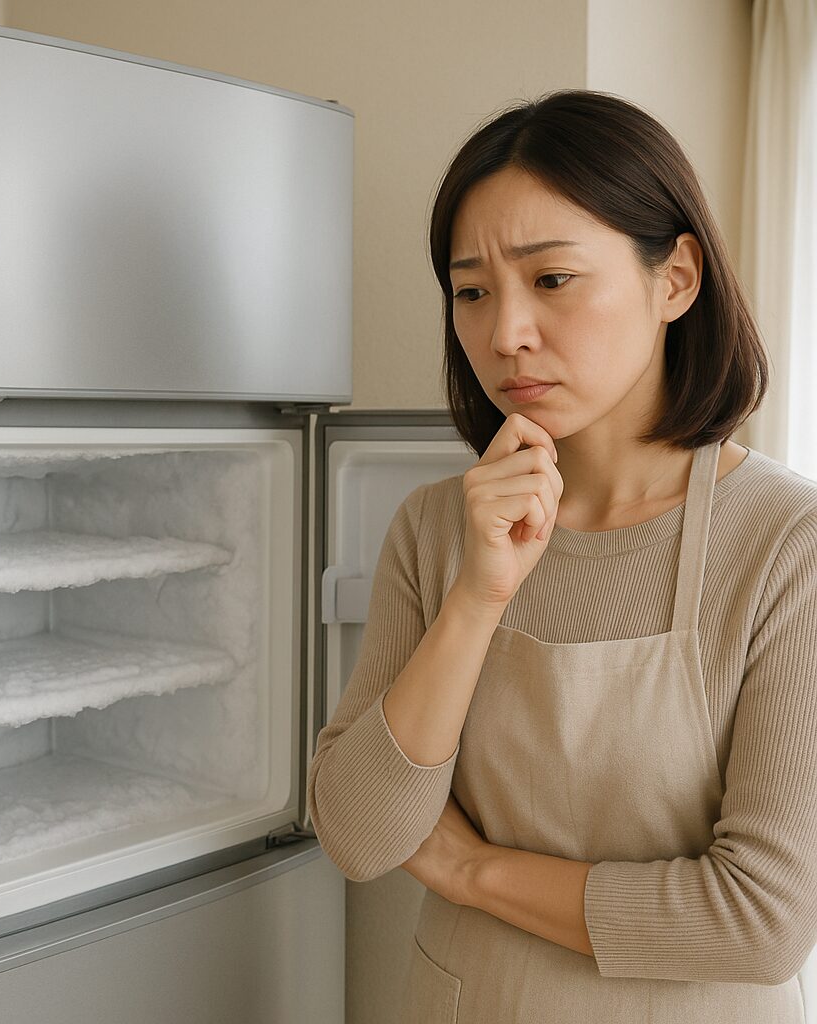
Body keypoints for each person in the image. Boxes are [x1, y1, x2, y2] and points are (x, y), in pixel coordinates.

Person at [306, 89, 817, 1023]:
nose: (504, 334)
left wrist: (471, 868)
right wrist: (477, 594)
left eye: (552, 279)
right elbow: (360, 834)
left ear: (676, 280)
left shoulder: (788, 543)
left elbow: (759, 921)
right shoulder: (436, 529)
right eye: (471, 291)